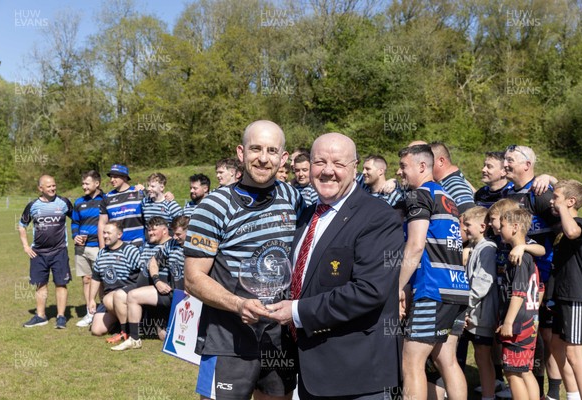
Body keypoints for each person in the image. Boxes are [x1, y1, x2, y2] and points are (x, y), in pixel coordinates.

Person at [268, 133, 404, 399]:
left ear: (355, 168)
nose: (328, 171)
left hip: (357, 376)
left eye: (338, 164)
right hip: (310, 373)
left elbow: (369, 290)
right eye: (320, 162)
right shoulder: (307, 216)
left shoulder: (378, 217)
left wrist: (296, 311)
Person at [183, 120, 304, 400]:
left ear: (283, 158)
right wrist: (238, 304)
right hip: (227, 339)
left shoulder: (292, 198)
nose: (263, 158)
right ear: (241, 152)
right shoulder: (212, 206)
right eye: (256, 149)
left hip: (278, 336)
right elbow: (193, 279)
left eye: (272, 150)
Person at [396, 144, 469, 400]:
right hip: (458, 288)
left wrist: (396, 288)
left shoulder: (419, 195)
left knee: (411, 361)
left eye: (404, 166)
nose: (399, 172)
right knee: (446, 361)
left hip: (433, 290)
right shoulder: (446, 196)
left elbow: (415, 246)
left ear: (422, 166)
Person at [503, 145, 565, 398]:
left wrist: (551, 180)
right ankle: (528, 387)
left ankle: (552, 392)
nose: (505, 163)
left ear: (527, 165)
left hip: (541, 276)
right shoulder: (507, 192)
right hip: (514, 272)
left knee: (545, 335)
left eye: (510, 160)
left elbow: (567, 218)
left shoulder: (539, 192)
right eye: (504, 159)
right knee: (528, 335)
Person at [112, 216, 189, 351]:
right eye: (174, 233)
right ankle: (134, 339)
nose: (175, 237)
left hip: (192, 297)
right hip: (174, 294)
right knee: (133, 296)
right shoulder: (172, 244)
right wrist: (157, 280)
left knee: (168, 337)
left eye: (178, 234)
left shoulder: (198, 247)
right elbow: (153, 261)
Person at [495, 208, 540, 400]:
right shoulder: (527, 255)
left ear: (514, 227)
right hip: (529, 321)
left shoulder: (519, 258)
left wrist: (508, 322)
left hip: (518, 324)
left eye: (502, 225)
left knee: (513, 372)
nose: (499, 229)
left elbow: (519, 293)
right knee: (525, 370)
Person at [19, 175, 73, 329]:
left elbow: (76, 218)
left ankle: (61, 316)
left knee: (61, 284)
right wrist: (25, 246)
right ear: (40, 188)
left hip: (59, 251)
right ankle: (40, 316)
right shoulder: (32, 206)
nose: (52, 188)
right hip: (39, 253)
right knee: (41, 284)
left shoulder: (64, 203)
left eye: (54, 185)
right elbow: (22, 225)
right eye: (48, 186)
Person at [550, 179, 582, 399]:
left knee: (573, 352)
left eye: (556, 198)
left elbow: (573, 232)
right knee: (556, 346)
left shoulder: (578, 222)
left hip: (575, 295)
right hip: (561, 296)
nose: (552, 202)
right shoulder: (563, 227)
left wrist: (563, 207)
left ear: (570, 202)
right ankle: (572, 395)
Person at [462, 206, 498, 400]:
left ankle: (488, 396)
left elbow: (482, 283)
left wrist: (465, 307)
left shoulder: (487, 249)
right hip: (475, 312)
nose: (464, 228)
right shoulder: (477, 247)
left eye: (468, 224)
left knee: (483, 357)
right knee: (480, 356)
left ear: (483, 226)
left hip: (482, 315)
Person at [89, 221, 140, 341]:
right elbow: (96, 277)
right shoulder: (101, 253)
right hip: (109, 300)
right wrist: (91, 299)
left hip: (126, 295)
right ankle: (121, 321)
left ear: (119, 235)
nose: (105, 236)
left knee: (109, 298)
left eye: (109, 233)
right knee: (96, 330)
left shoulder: (130, 250)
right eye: (104, 233)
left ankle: (125, 331)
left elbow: (142, 274)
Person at [71, 170, 104, 328]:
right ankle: (90, 312)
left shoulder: (106, 199)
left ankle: (105, 312)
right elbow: (74, 222)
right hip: (82, 248)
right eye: (82, 183)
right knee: (86, 279)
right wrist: (75, 235)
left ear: (96, 184)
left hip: (99, 247)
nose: (83, 186)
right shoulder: (78, 202)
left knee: (103, 281)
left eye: (87, 183)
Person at [98, 164, 146, 247]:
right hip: (117, 246)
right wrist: (102, 248)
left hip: (139, 245)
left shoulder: (138, 192)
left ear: (124, 177)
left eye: (115, 177)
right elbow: (102, 223)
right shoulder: (107, 197)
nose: (112, 180)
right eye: (111, 177)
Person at [430, 141, 476, 213]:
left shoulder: (455, 185)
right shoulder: (448, 183)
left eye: (428, 162)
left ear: (441, 161)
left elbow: (470, 219)